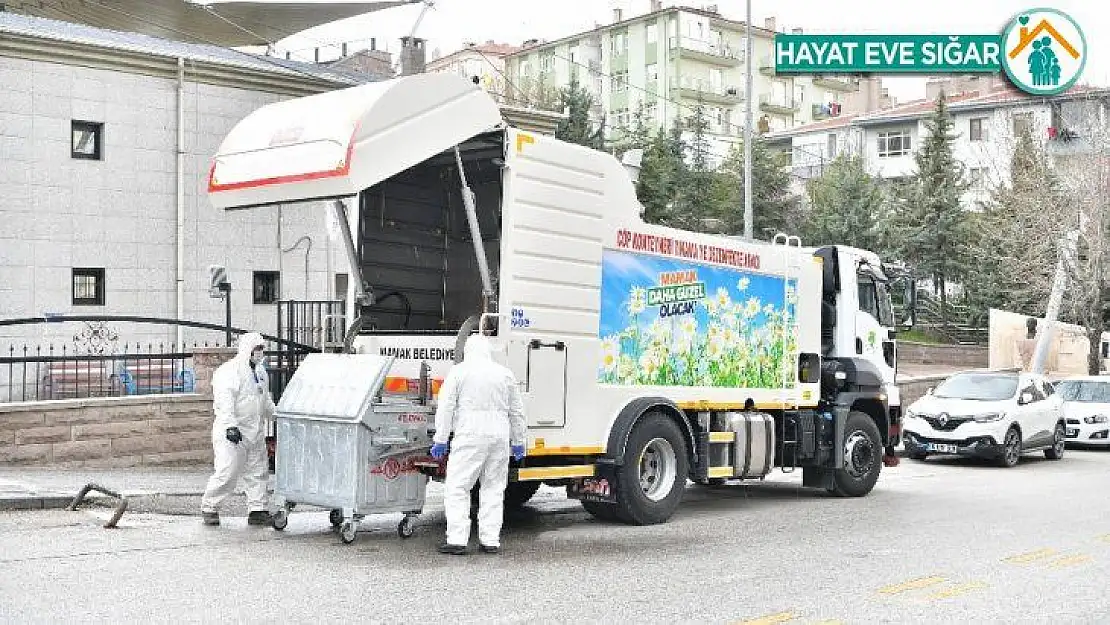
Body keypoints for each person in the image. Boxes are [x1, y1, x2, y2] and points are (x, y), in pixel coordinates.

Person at [430, 333, 526, 555]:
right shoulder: (504, 374)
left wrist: (441, 439)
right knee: (493, 487)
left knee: (458, 487)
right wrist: (519, 441)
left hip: (470, 435)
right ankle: (490, 540)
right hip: (499, 436)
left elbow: (446, 407)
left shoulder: (459, 372)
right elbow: (517, 411)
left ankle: (457, 540)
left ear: (467, 351)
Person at [200, 332, 276, 526]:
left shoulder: (260, 373)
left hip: (255, 431)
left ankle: (257, 510)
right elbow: (225, 401)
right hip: (234, 432)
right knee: (228, 471)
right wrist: (230, 425)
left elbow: (265, 400)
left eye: (262, 349)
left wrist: (278, 416)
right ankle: (210, 507)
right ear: (247, 349)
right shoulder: (229, 371)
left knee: (258, 471)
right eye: (257, 349)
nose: (260, 353)